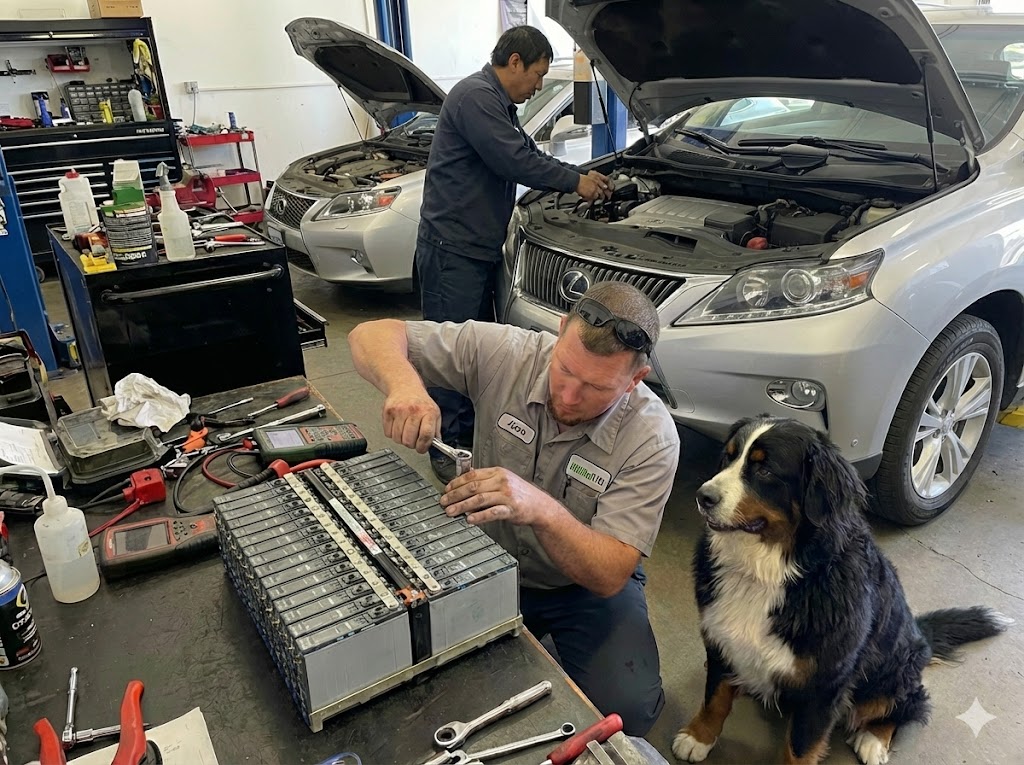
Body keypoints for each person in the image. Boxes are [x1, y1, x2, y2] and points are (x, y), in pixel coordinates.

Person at [348, 281, 680, 736]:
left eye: (596, 387)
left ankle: (552, 644)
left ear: (635, 381)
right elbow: (370, 334)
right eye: (564, 369)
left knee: (629, 712)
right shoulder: (507, 352)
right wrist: (405, 384)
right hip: (483, 556)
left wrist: (540, 509)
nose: (568, 396)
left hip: (580, 585)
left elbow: (609, 573)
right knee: (413, 673)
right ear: (559, 332)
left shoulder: (652, 438)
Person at [416, 24, 614, 482]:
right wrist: (574, 183)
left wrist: (579, 173)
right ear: (515, 62)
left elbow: (527, 151)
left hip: (476, 248)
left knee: (477, 349)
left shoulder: (497, 102)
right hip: (452, 250)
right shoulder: (475, 96)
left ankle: (472, 439)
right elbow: (513, 160)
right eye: (538, 75)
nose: (539, 85)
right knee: (449, 352)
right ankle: (448, 450)